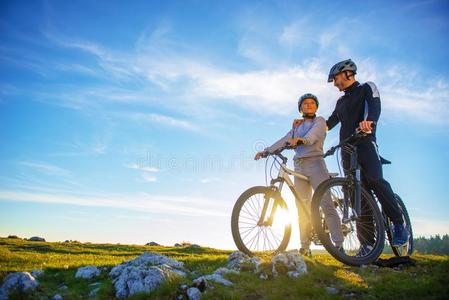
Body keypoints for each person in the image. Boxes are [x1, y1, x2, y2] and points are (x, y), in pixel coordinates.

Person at [294, 59, 409, 256]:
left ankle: (399, 224)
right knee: (356, 194)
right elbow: (328, 124)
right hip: (346, 149)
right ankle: (367, 244)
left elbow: (375, 107)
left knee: (375, 180)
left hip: (365, 142)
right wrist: (306, 121)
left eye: (336, 78)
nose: (335, 83)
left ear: (348, 73)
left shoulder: (366, 88)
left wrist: (369, 122)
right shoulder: (341, 102)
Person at [255, 93, 344, 256]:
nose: (309, 105)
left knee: (326, 204)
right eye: (305, 103)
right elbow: (285, 139)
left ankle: (338, 244)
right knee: (302, 207)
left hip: (316, 164)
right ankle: (305, 246)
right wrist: (267, 151)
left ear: (316, 107)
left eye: (312, 103)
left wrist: (302, 140)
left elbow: (314, 135)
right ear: (300, 108)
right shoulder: (297, 126)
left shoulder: (320, 121)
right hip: (299, 166)